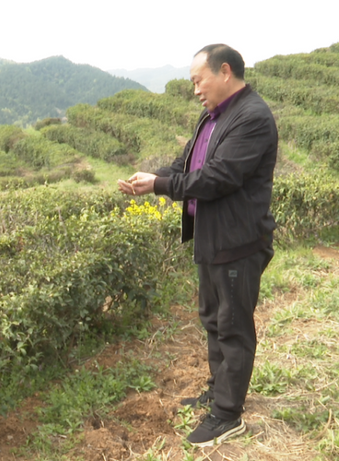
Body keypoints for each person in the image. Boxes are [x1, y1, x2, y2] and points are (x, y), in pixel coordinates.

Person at [118, 44, 277, 447]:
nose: (195, 90)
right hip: (211, 237)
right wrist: (151, 178)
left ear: (224, 71)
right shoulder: (211, 117)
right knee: (214, 319)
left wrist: (160, 186)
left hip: (238, 241)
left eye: (198, 81)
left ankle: (228, 415)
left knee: (233, 327)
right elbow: (186, 166)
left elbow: (218, 178)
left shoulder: (252, 117)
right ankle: (218, 391)